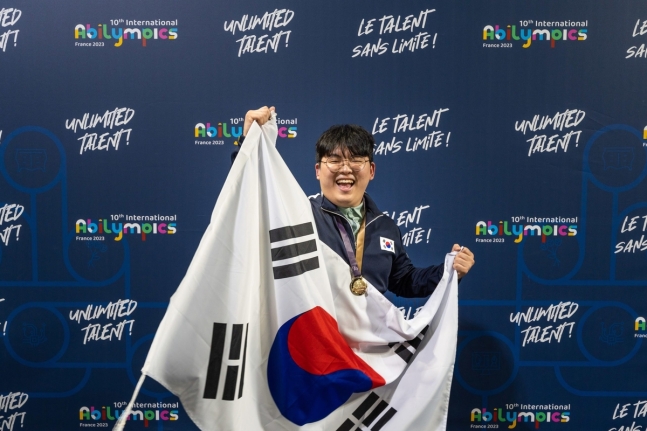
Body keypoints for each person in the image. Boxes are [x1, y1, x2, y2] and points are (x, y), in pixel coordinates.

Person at [238, 106, 475, 299]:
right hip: (313, 339)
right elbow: (254, 200)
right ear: (318, 170)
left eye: (356, 160)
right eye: (334, 160)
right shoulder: (298, 214)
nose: (345, 169)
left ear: (371, 170)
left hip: (367, 341)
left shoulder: (385, 226)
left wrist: (448, 271)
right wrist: (248, 142)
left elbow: (404, 280)